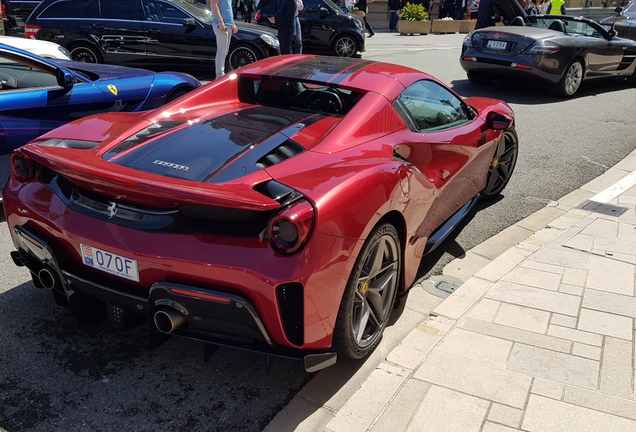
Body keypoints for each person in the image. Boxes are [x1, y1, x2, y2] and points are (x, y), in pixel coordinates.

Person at [210, 0, 238, 79]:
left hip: (227, 24)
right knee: (221, 52)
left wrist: (232, 24)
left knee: (224, 52)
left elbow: (228, 8)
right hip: (222, 24)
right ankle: (219, 76)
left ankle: (221, 74)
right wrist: (221, 22)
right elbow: (214, 5)